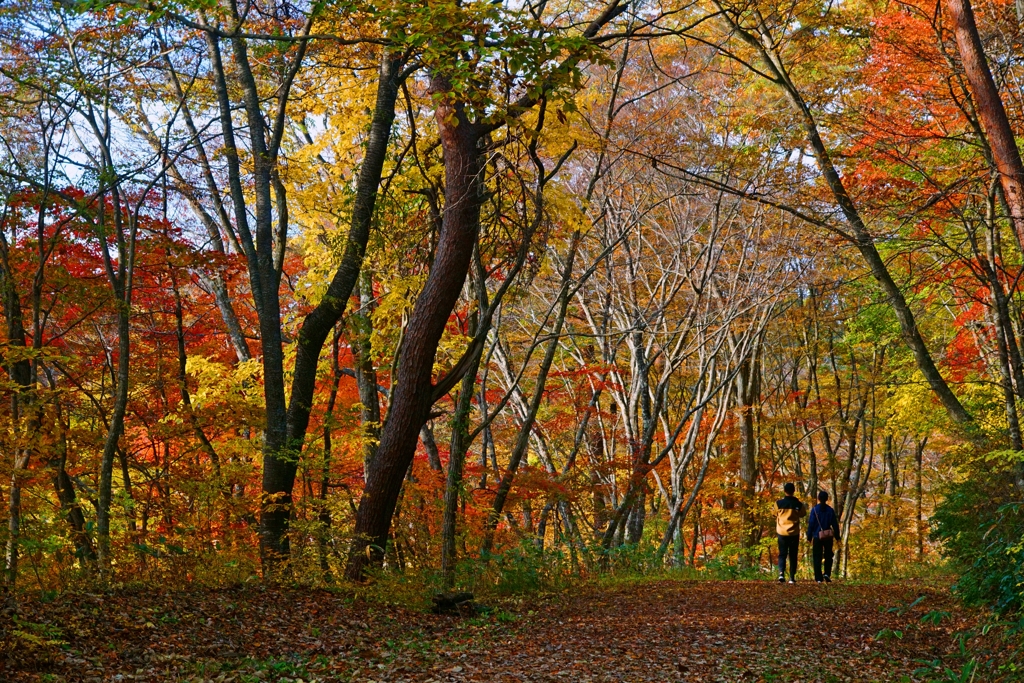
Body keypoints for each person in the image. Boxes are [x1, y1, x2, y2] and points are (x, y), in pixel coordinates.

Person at [806, 490, 841, 583]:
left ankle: (818, 577)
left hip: (817, 536)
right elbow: (835, 524)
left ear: (818, 498)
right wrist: (837, 537)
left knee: (817, 556)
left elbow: (811, 524)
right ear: (826, 499)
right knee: (828, 555)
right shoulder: (830, 510)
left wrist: (809, 537)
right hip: (828, 536)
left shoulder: (814, 510)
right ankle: (827, 573)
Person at [776, 482, 805, 584]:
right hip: (794, 533)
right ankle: (792, 577)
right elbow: (803, 514)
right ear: (794, 491)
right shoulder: (798, 504)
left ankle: (781, 574)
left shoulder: (778, 503)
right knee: (793, 555)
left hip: (781, 532)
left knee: (782, 554)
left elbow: (773, 514)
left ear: (784, 491)